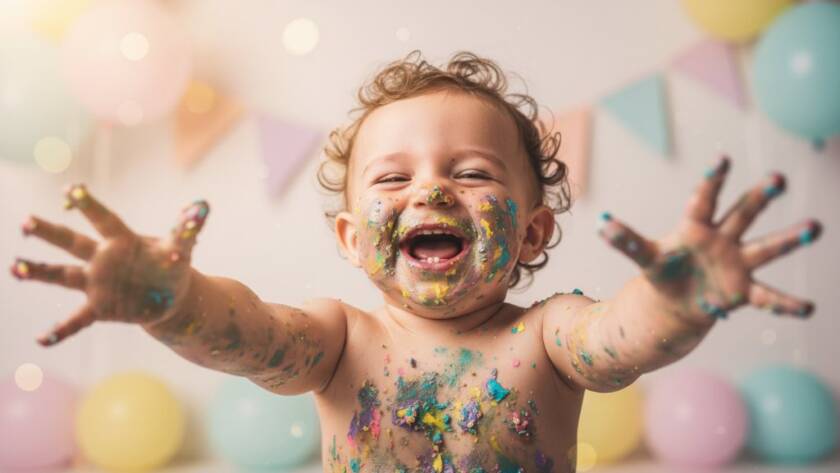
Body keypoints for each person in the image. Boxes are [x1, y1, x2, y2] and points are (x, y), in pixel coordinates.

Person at [11, 51, 823, 473]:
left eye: (471, 172)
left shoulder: (548, 335)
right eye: (394, 177)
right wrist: (173, 301)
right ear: (353, 240)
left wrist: (676, 305)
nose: (432, 186)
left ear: (534, 234)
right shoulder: (337, 340)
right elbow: (248, 333)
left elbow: (620, 340)